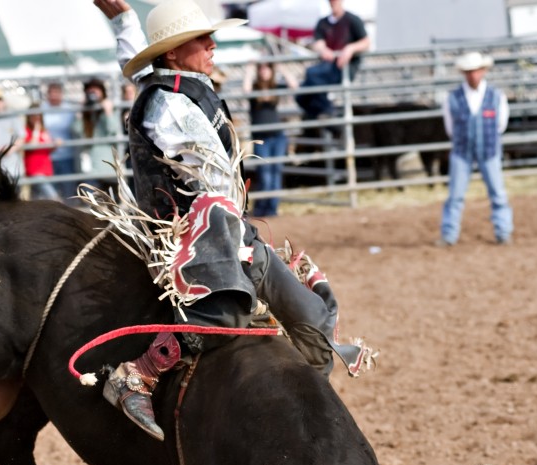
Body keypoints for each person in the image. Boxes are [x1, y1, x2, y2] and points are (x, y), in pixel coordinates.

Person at [85, 0, 372, 440]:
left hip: (226, 228)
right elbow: (211, 174)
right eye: (200, 39)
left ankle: (298, 413)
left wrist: (124, 21)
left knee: (314, 320)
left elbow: (139, 68)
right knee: (223, 317)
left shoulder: (175, 86)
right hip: (195, 235)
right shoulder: (167, 102)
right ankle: (137, 373)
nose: (212, 44)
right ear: (173, 53)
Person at [439, 51, 513, 247]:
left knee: (497, 193)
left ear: (483, 71)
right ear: (464, 73)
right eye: (469, 71)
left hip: (488, 150)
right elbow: (451, 128)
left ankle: (503, 231)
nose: (473, 75)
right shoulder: (452, 99)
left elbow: (501, 125)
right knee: (455, 194)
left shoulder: (496, 96)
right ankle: (449, 234)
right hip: (462, 152)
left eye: (476, 71)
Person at [295, 0, 370, 121]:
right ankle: (327, 115)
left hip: (344, 68)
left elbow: (366, 42)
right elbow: (318, 42)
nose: (333, 2)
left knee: (310, 78)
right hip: (328, 67)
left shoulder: (352, 20)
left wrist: (350, 49)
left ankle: (327, 112)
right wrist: (323, 50)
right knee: (301, 96)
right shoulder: (323, 22)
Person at [243, 60, 299, 218]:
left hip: (277, 136)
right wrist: (249, 71)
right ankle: (262, 208)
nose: (264, 71)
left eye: (267, 67)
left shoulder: (276, 87)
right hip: (261, 137)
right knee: (265, 173)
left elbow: (294, 86)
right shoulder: (254, 87)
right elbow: (246, 90)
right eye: (261, 68)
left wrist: (282, 68)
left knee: (276, 172)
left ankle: (272, 209)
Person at [70, 78, 121, 196]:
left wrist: (108, 112)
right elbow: (77, 131)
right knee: (92, 203)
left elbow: (113, 130)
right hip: (90, 166)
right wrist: (80, 112)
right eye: (90, 90)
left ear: (102, 91)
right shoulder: (85, 112)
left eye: (96, 90)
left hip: (108, 165)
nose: (93, 93)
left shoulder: (109, 108)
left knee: (112, 204)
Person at [42, 82, 78, 199]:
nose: (54, 96)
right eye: (51, 93)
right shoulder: (42, 108)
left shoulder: (69, 108)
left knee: (68, 187)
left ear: (61, 94)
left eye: (57, 93)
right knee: (52, 191)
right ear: (47, 95)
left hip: (67, 154)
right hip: (47, 155)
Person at [22, 107, 60, 201]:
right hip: (34, 169)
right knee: (52, 197)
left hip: (46, 168)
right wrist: (36, 131)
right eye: (33, 116)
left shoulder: (44, 131)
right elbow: (31, 146)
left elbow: (49, 149)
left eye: (38, 116)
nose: (36, 118)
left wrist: (56, 144)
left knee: (37, 198)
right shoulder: (26, 130)